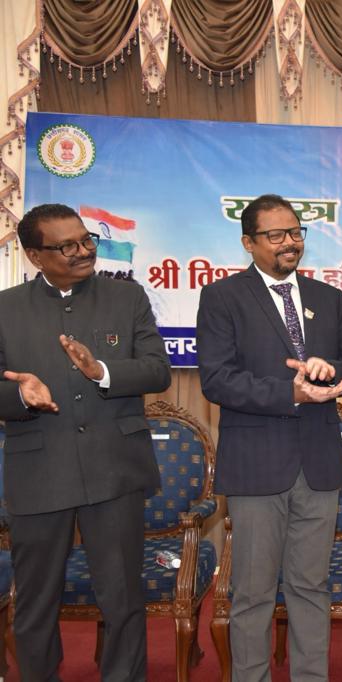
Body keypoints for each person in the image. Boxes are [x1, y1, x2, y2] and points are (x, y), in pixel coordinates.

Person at [197, 194, 342, 680]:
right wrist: (290, 393)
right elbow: (217, 380)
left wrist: (330, 368)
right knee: (252, 592)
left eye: (295, 232)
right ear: (248, 243)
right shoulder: (222, 297)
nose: (289, 242)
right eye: (276, 235)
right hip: (256, 465)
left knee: (311, 587)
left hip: (319, 464)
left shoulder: (327, 298)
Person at [0, 203, 171, 680]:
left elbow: (157, 370)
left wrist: (102, 371)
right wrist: (20, 395)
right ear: (35, 256)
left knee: (123, 597)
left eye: (86, 240)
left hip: (114, 469)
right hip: (39, 472)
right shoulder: (5, 308)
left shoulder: (126, 297)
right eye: (67, 246)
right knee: (35, 601)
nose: (83, 251)